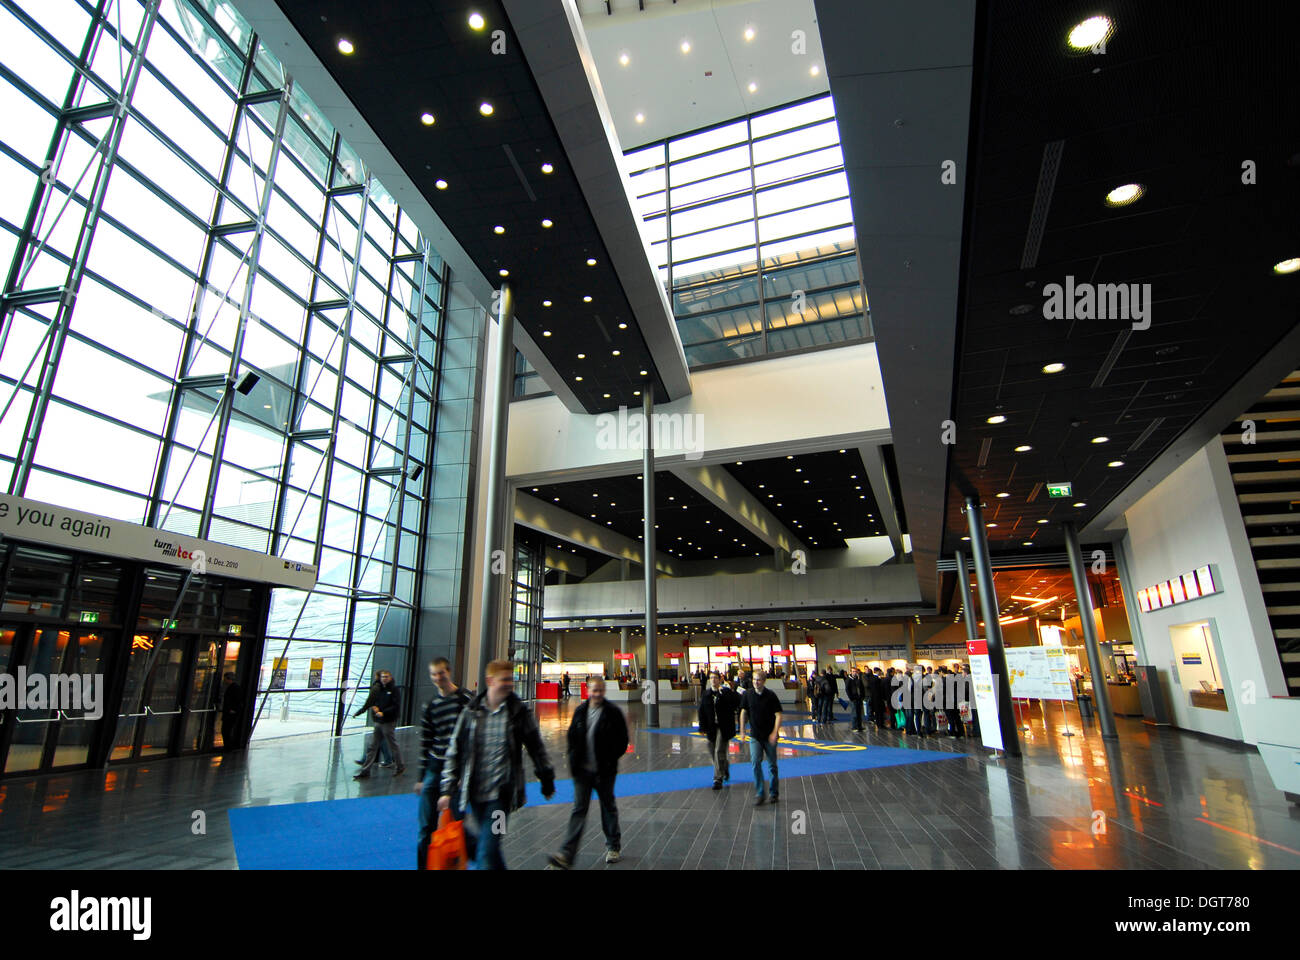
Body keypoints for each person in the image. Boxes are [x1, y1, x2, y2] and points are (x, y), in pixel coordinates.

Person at [439, 659, 556, 870]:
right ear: (490, 681)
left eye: (511, 679)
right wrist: (447, 789)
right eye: (504, 679)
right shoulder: (471, 713)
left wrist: (546, 780)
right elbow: (454, 751)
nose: (509, 684)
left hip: (502, 798)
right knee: (490, 850)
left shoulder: (518, 713)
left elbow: (536, 748)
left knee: (487, 850)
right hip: (475, 795)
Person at [548, 678, 629, 869]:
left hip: (604, 772)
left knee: (607, 806)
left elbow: (622, 740)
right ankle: (566, 854)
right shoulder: (580, 712)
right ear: (588, 690)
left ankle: (613, 846)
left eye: (601, 690)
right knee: (578, 810)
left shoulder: (612, 713)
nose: (598, 694)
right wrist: (574, 762)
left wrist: (610, 759)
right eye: (595, 690)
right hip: (583, 772)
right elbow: (572, 738)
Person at [415, 657, 470, 869]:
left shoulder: (465, 699)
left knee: (457, 825)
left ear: (449, 672)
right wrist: (421, 777)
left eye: (441, 673)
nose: (438, 678)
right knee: (425, 827)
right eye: (434, 674)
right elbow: (426, 741)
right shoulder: (430, 705)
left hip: (456, 769)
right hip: (435, 766)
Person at [739, 669, 782, 806]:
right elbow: (743, 712)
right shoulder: (748, 694)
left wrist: (775, 732)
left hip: (769, 736)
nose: (755, 682)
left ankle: (773, 793)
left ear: (763, 681)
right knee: (755, 763)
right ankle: (760, 792)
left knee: (772, 765)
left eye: (758, 680)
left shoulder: (771, 696)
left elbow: (778, 715)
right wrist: (742, 730)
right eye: (754, 679)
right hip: (755, 736)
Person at [354, 669, 404, 778]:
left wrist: (383, 712)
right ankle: (365, 771)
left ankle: (400, 766)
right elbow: (373, 702)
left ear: (390, 678)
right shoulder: (380, 689)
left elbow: (396, 706)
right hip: (379, 721)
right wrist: (376, 709)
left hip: (388, 721)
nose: (384, 679)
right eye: (383, 677)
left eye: (386, 676)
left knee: (391, 744)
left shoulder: (394, 690)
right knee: (373, 745)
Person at [698, 671, 739, 789]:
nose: (713, 680)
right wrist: (702, 727)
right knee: (711, 749)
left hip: (724, 726)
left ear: (720, 679)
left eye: (715, 678)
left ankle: (717, 778)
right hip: (711, 727)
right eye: (711, 678)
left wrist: (725, 692)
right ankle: (724, 766)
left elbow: (736, 701)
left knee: (718, 750)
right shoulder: (706, 694)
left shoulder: (725, 692)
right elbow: (701, 711)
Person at [219, 672, 243, 751]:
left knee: (226, 730)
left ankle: (228, 747)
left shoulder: (234, 688)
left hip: (230, 713)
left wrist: (233, 709)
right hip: (230, 712)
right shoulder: (234, 687)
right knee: (226, 730)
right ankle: (228, 746)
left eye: (225, 678)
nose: (224, 680)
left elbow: (238, 700)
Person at [846, 667, 866, 732]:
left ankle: (859, 726)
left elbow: (861, 687)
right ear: (851, 672)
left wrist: (862, 696)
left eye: (856, 671)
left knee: (859, 713)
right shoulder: (849, 679)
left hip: (859, 698)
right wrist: (851, 698)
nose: (855, 673)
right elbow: (847, 689)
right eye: (853, 671)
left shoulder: (858, 679)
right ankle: (854, 727)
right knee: (854, 712)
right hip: (853, 698)